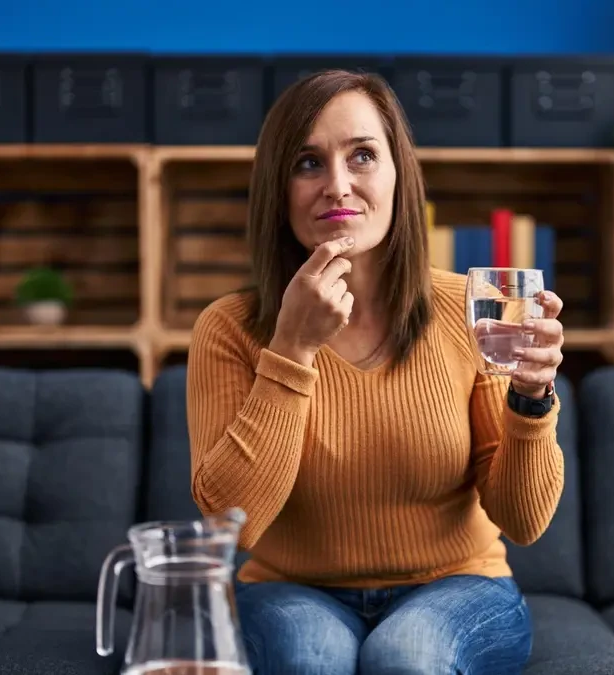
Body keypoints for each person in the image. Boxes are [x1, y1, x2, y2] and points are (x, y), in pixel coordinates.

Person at [186, 68, 567, 675]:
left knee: (405, 656)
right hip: (290, 590)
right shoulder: (228, 329)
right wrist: (291, 350)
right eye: (308, 163)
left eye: (362, 155)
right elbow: (233, 524)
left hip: (458, 584)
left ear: (398, 174)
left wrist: (531, 398)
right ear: (278, 189)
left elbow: (523, 521)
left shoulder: (474, 307)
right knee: (311, 660)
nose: (337, 186)